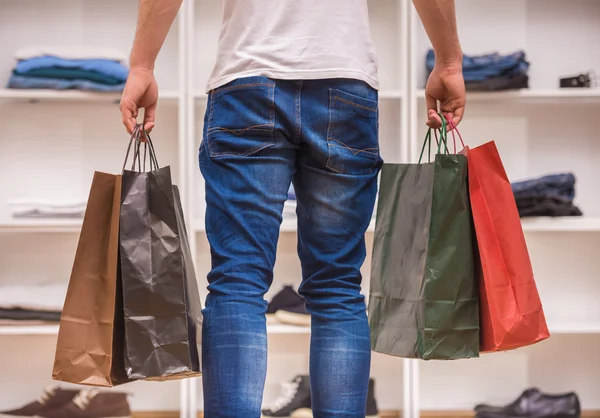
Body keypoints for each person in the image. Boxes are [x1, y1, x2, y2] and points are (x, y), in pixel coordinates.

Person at [120, 1, 466, 417]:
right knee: (337, 287)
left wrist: (142, 65)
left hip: (247, 79)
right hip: (344, 80)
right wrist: (448, 61)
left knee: (237, 281)